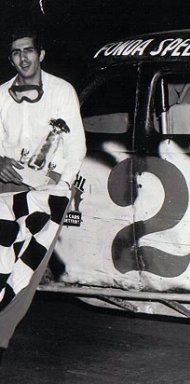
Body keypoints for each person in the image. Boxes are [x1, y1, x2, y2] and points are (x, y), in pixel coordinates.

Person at [0, 28, 86, 362]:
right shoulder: (0, 95)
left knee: (27, 271)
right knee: (1, 263)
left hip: (49, 194)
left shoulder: (63, 91)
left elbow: (76, 146)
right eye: (15, 53)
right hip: (7, 189)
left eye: (28, 51)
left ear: (41, 54)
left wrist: (58, 185)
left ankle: (1, 340)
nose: (23, 58)